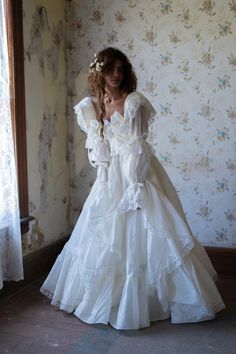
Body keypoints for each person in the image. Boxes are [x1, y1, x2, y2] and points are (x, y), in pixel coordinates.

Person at [40, 47, 225, 330]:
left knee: (151, 231)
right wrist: (105, 179)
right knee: (104, 237)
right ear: (98, 71)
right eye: (110, 69)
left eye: (121, 69)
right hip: (109, 176)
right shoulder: (90, 106)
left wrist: (135, 186)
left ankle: (155, 299)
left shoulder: (133, 102)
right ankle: (107, 297)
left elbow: (138, 148)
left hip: (136, 174)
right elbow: (96, 149)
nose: (116, 74)